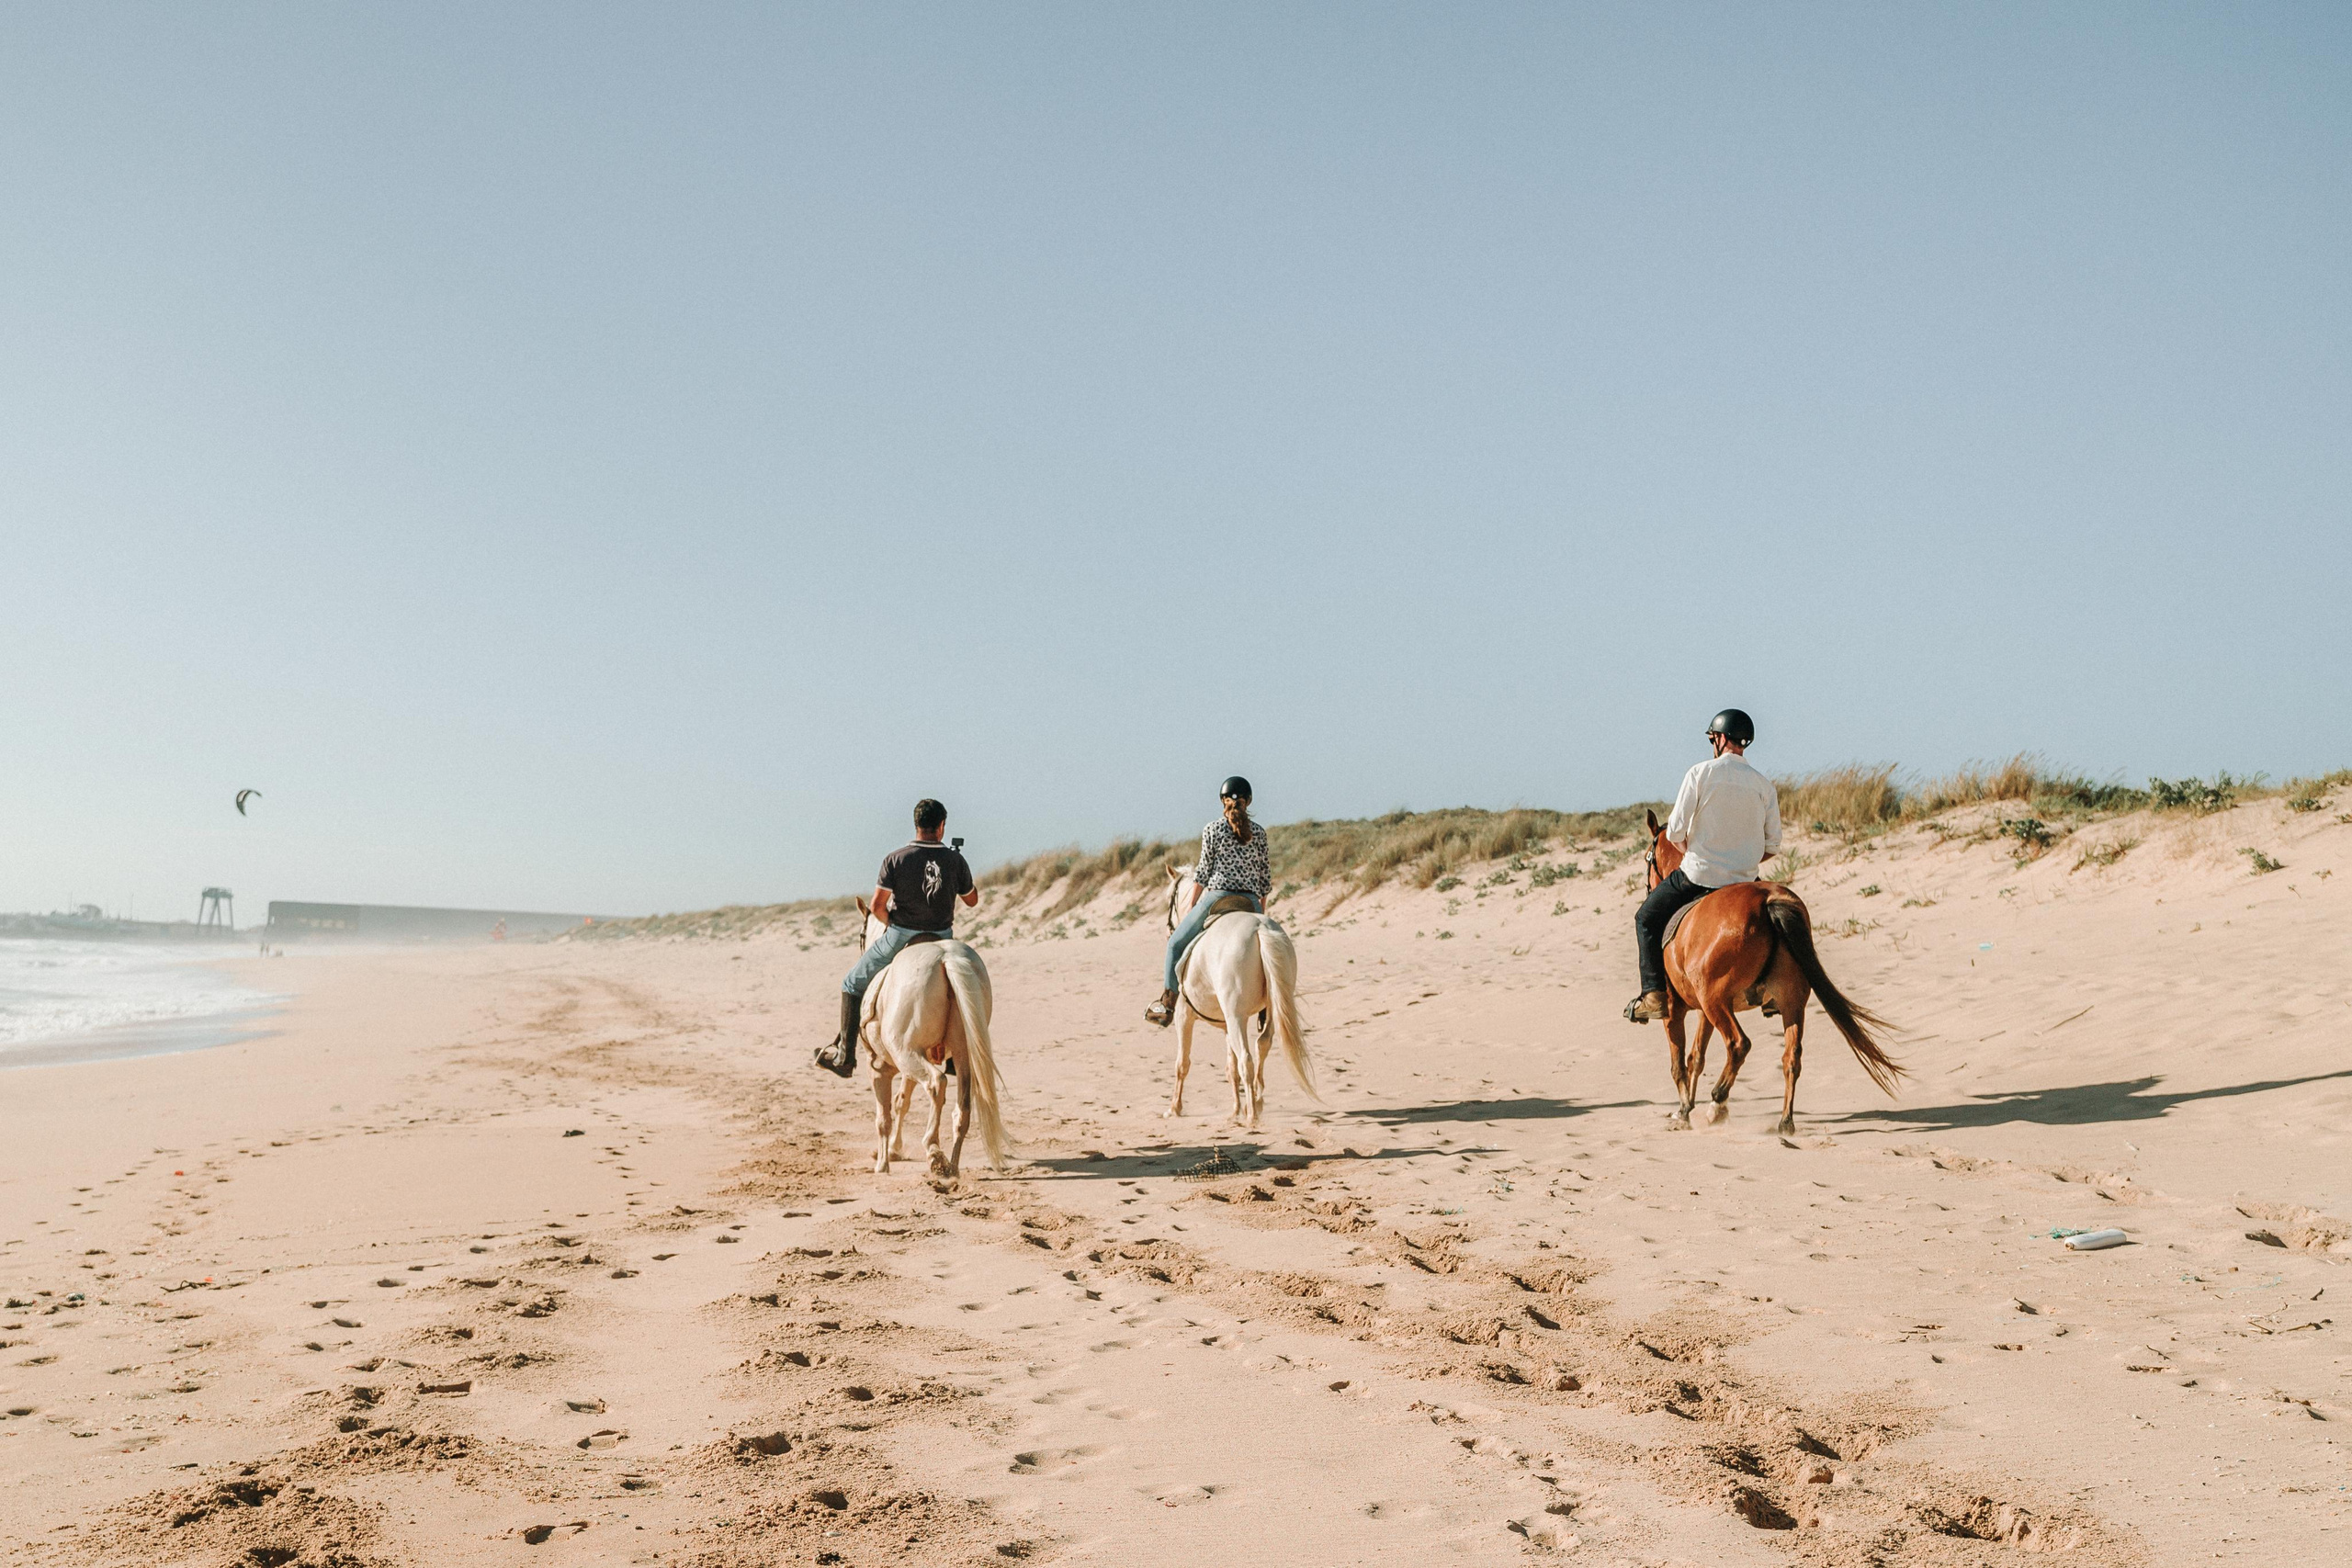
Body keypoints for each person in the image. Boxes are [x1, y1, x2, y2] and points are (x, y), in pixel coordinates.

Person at [1625, 709, 1781, 1023]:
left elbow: (1675, 832)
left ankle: (1654, 994)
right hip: (1745, 881)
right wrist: (1743, 862)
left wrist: (1695, 852)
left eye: (1713, 738)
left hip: (1698, 876)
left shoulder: (1699, 774)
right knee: (1776, 923)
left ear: (1720, 739)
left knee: (1645, 917)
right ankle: (1773, 987)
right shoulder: (1764, 786)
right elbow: (1772, 847)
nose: (1713, 742)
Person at [816, 798, 979, 1077]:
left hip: (902, 935)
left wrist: (893, 923)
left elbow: (877, 906)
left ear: (916, 825)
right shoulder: (955, 860)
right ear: (941, 826)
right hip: (941, 937)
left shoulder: (895, 858)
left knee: (852, 982)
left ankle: (845, 1057)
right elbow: (972, 900)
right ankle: (953, 1059)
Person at [1147, 776, 1271, 1026]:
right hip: (1249, 902)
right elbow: (1265, 880)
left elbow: (1202, 873)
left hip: (1218, 897)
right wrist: (1262, 913)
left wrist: (1192, 905)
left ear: (1222, 801)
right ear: (1249, 801)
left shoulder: (1212, 829)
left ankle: (1167, 1004)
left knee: (1174, 943)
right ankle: (1267, 1007)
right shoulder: (1259, 833)